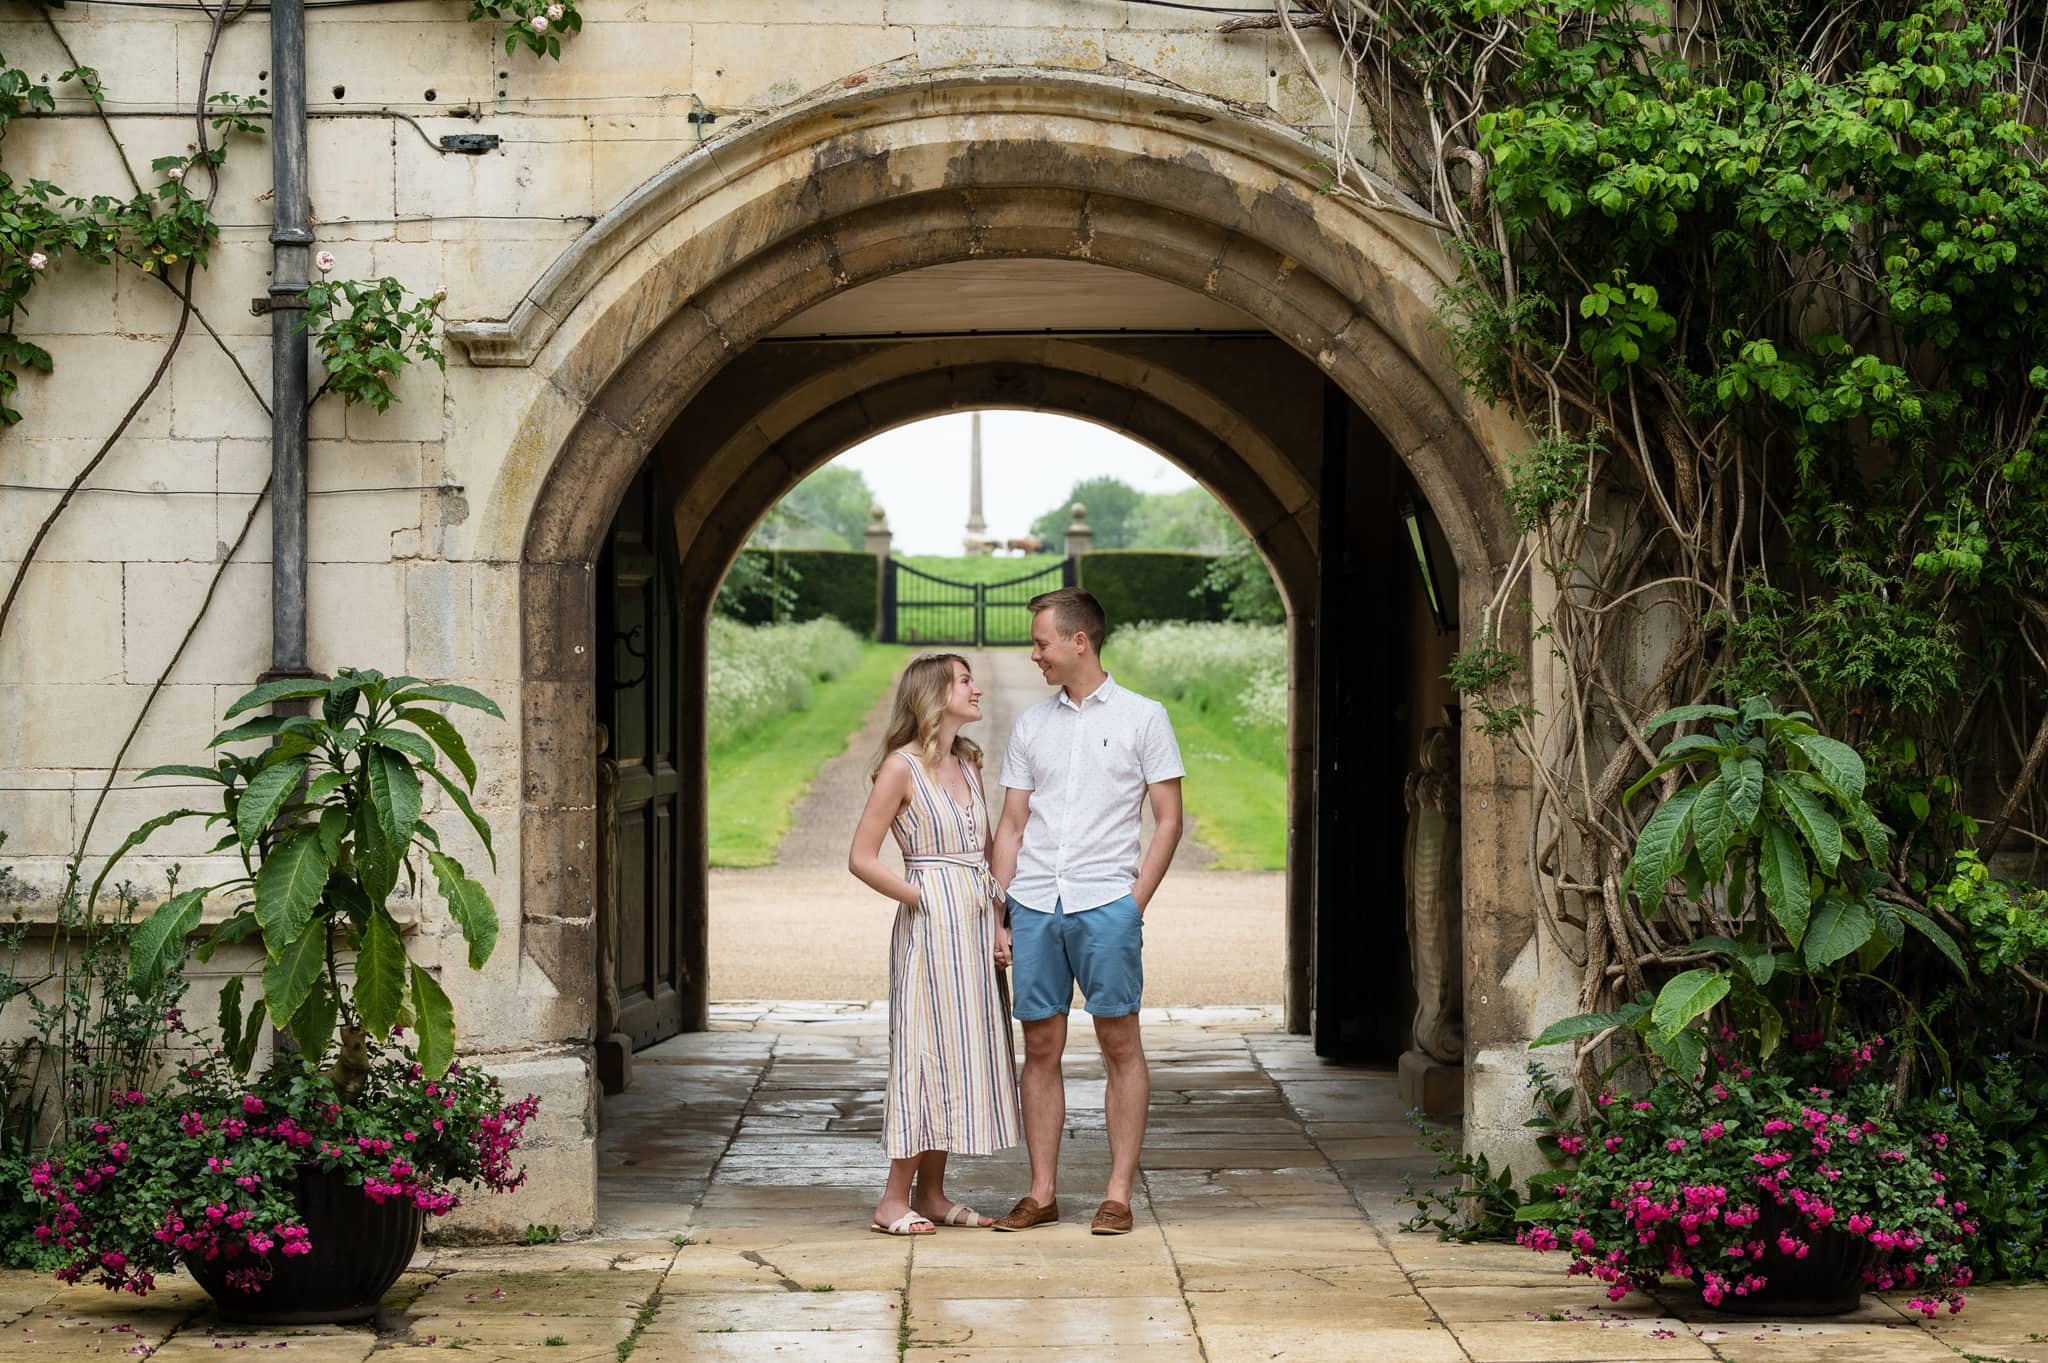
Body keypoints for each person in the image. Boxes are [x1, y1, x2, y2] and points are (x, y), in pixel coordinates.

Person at [988, 587, 1184, 1236]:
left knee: (1118, 1041)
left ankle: (1118, 1192)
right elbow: (1012, 825)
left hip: (1107, 904)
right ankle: (1041, 1190)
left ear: (1080, 640)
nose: (1033, 654)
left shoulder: (1144, 717)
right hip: (1037, 901)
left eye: (1041, 641)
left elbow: (1168, 820)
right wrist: (1001, 909)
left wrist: (1133, 904)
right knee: (1039, 1044)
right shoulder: (1031, 725)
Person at [848, 653, 1021, 1236]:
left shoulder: (968, 764)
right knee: (924, 1053)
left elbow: (991, 849)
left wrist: (1001, 922)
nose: (978, 690)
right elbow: (861, 858)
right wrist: (921, 895)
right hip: (929, 928)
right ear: (934, 694)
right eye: (965, 681)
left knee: (960, 1053)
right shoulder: (900, 769)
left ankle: (935, 1194)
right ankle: (892, 1200)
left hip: (974, 924)